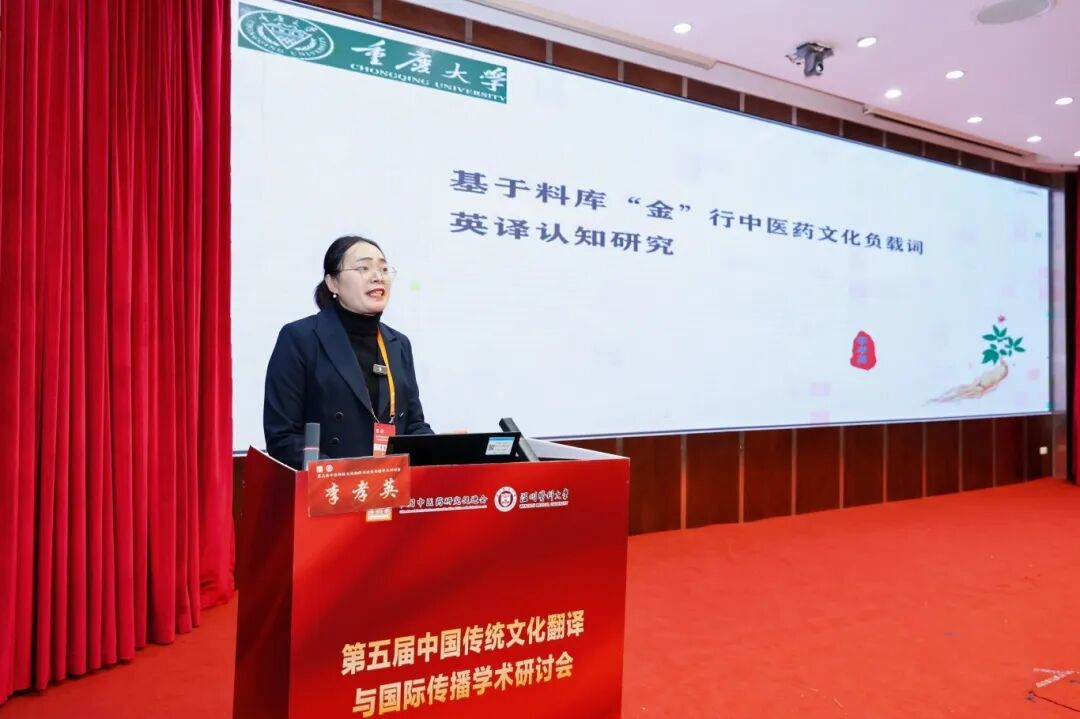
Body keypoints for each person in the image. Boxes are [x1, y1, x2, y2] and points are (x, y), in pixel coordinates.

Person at [263, 235, 433, 469]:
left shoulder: (398, 344)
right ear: (332, 283)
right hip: (327, 486)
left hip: (388, 485)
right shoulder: (300, 338)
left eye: (384, 269)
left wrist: (442, 448)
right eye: (364, 268)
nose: (378, 276)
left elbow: (413, 425)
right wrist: (338, 474)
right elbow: (282, 436)